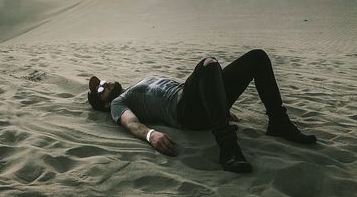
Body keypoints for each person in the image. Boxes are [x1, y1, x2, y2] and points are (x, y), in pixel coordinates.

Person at [87, 49, 317, 173]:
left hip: (199, 102)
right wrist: (151, 135)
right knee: (209, 63)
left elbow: (187, 86)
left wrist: (217, 104)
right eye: (99, 89)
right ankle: (228, 147)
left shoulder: (141, 81)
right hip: (185, 112)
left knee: (257, 57)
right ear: (105, 104)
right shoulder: (119, 103)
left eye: (102, 80)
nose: (104, 84)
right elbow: (130, 123)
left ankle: (278, 122)